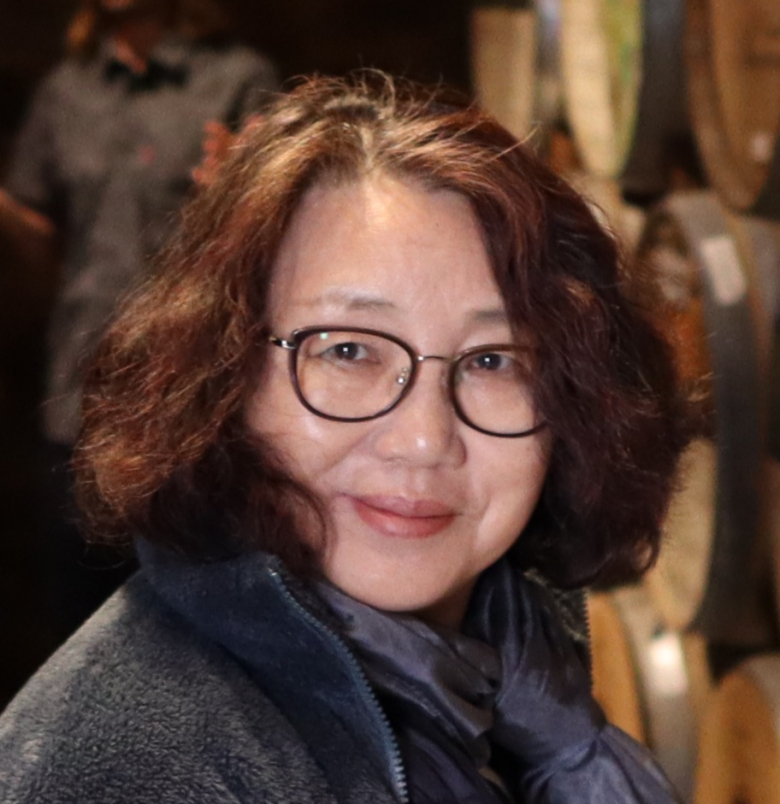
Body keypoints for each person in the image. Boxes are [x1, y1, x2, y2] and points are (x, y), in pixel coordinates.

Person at [0, 73, 691, 803]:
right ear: (225, 374)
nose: (423, 439)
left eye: (493, 360)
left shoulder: (519, 661)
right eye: (350, 351)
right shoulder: (134, 769)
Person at [0, 0, 279, 640]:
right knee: (79, 628)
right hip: (78, 401)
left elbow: (277, 236)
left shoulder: (239, 78)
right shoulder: (66, 89)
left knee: (198, 633)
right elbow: (38, 230)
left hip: (194, 408)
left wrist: (240, 196)